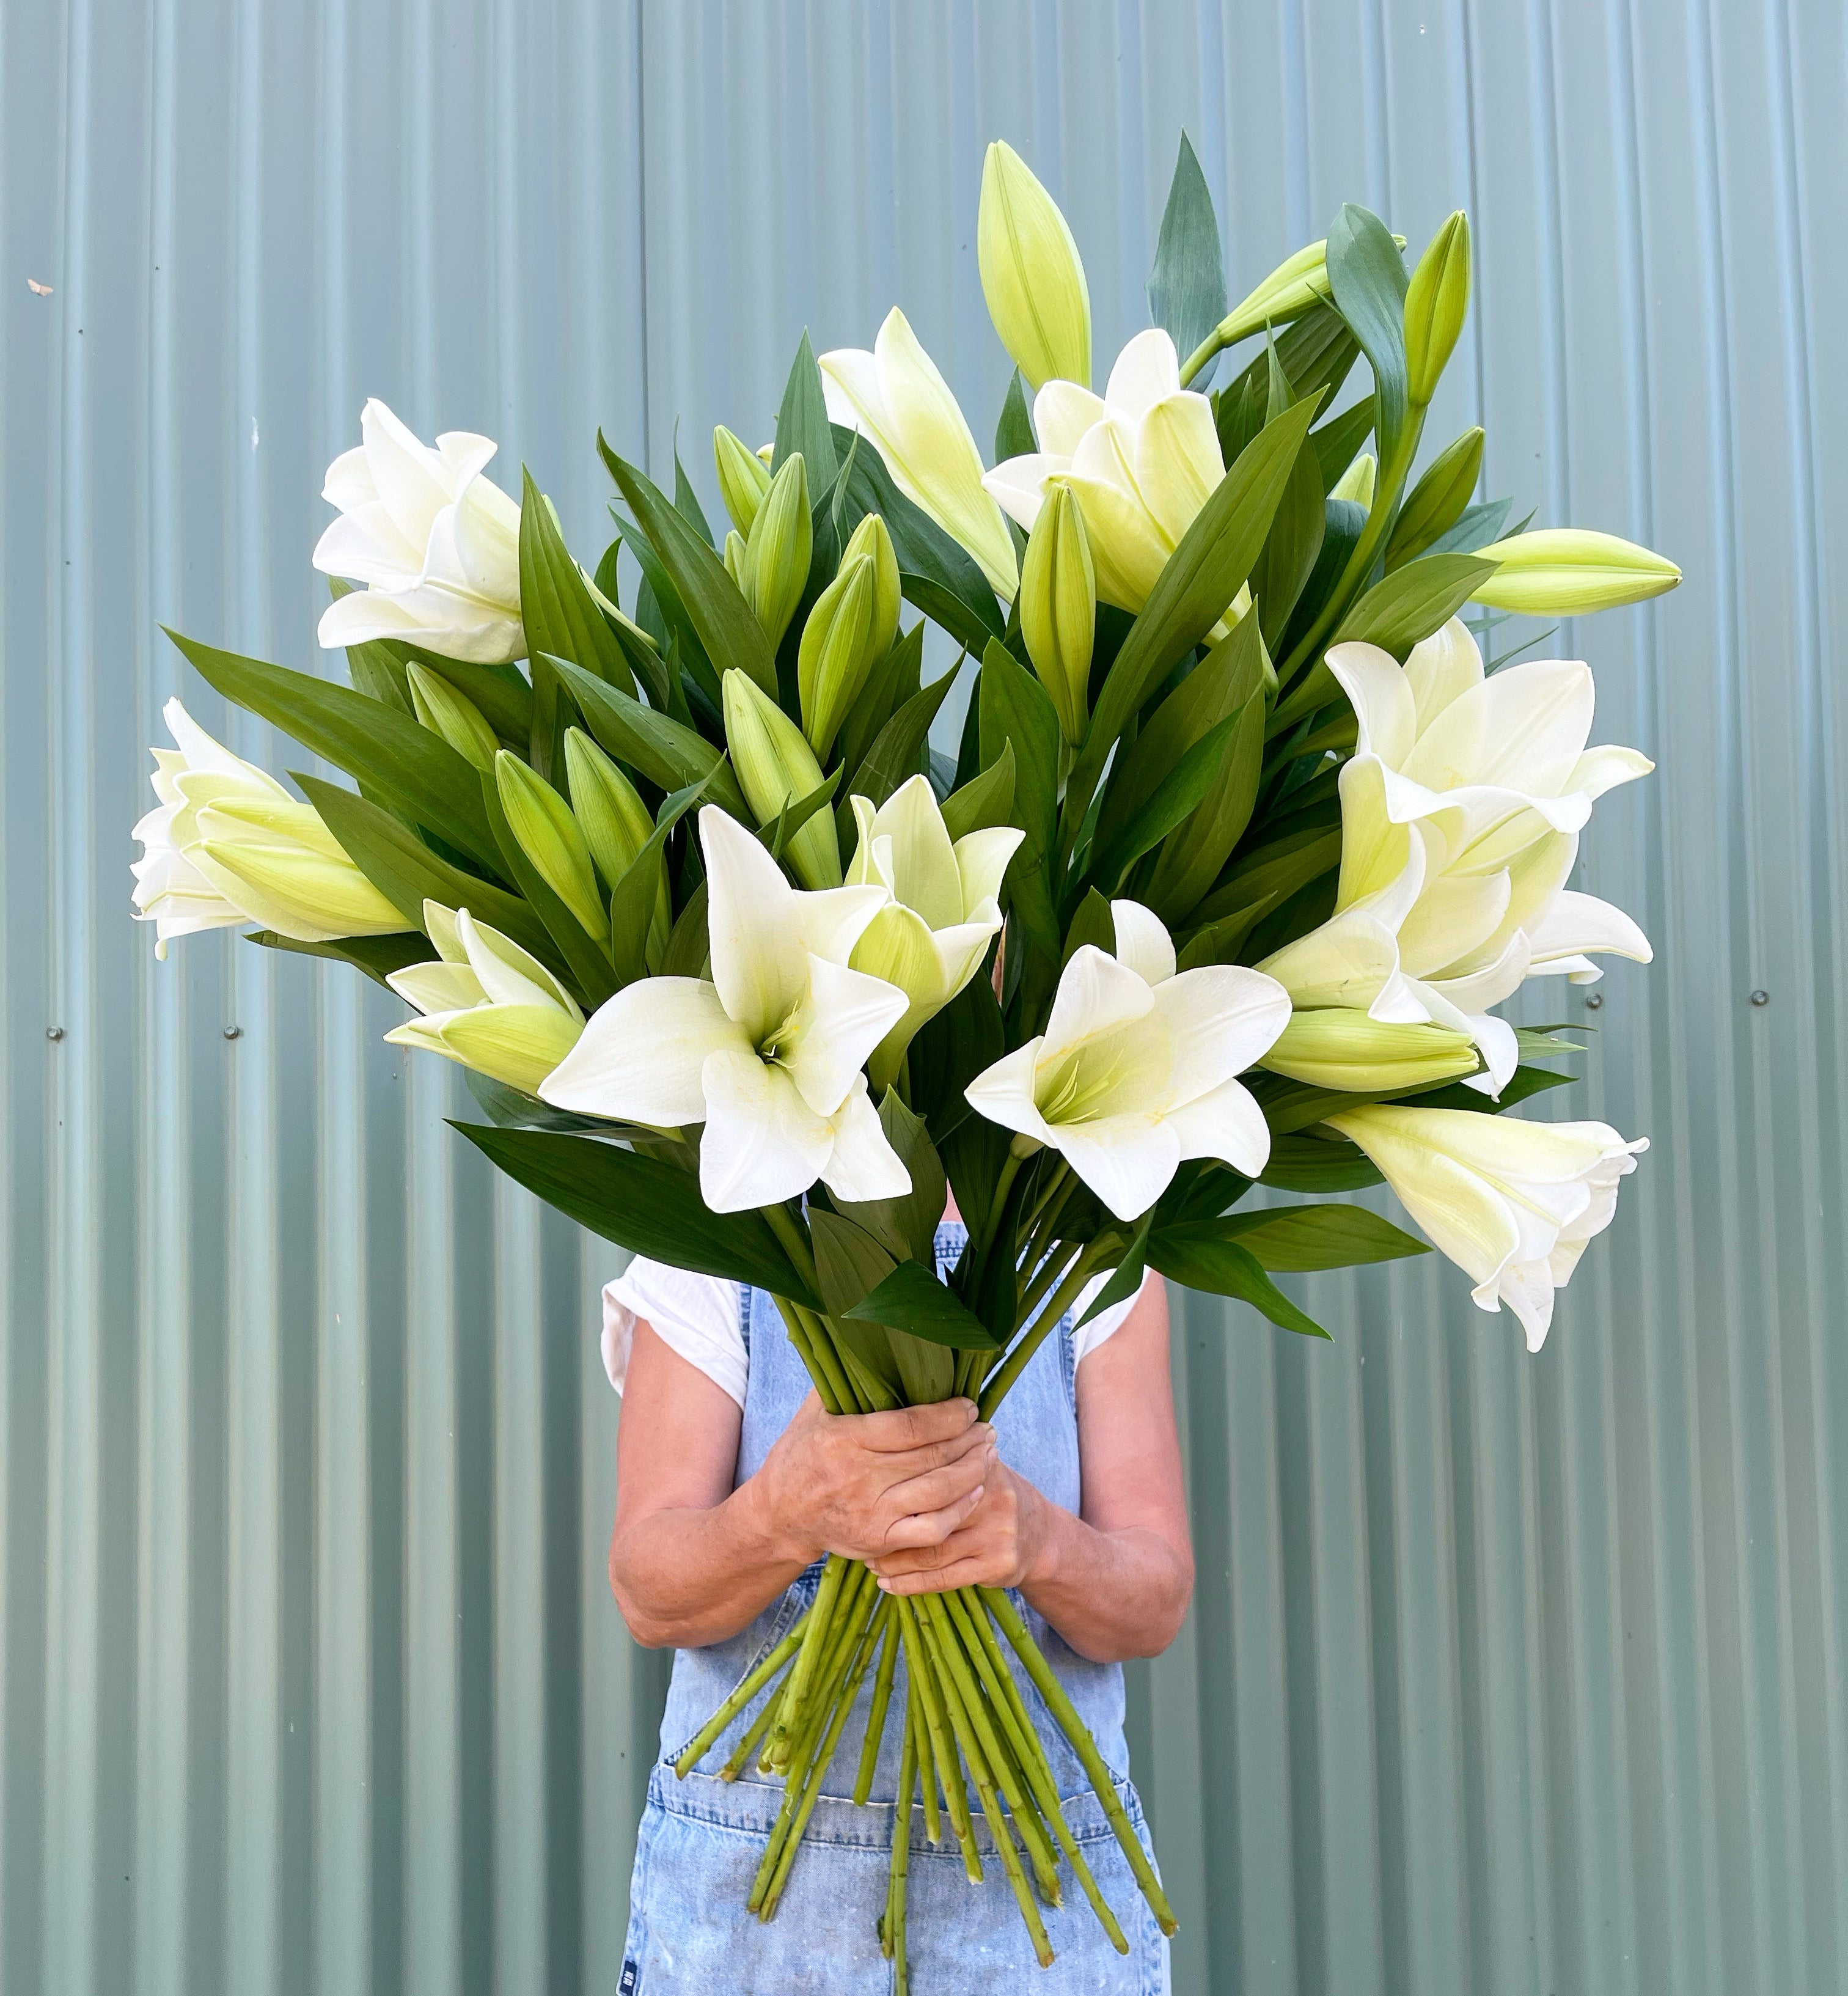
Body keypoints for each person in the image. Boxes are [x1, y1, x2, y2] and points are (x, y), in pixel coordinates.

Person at [604, 1200, 1192, 1994]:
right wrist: (783, 1511)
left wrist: (1043, 1540)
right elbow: (649, 1591)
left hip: (1037, 1913)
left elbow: (1155, 1601)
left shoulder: (1092, 1239)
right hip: (752, 1920)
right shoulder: (724, 1223)